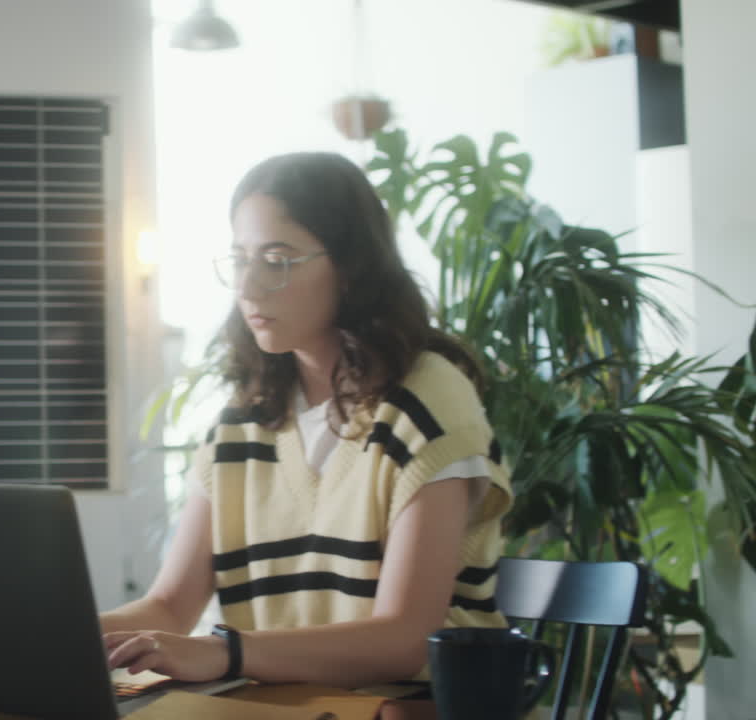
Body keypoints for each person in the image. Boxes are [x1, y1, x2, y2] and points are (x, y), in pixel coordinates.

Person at [100, 152, 513, 696]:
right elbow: (171, 606)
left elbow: (407, 640)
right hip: (286, 706)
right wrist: (38, 640)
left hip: (418, 708)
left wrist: (227, 653)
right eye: (240, 259)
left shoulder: (427, 398)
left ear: (350, 267)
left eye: (277, 259)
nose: (247, 287)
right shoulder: (240, 424)